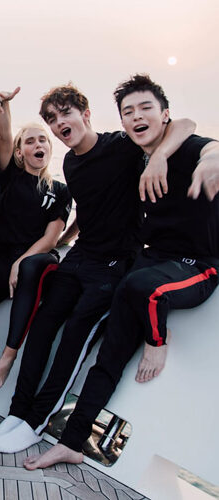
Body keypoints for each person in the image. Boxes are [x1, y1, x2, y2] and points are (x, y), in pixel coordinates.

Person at [0, 82, 196, 454]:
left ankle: (35, 424)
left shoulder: (121, 146)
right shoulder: (71, 163)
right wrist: (65, 240)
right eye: (52, 119)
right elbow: (87, 210)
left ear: (86, 114)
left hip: (115, 264)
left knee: (74, 338)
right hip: (81, 256)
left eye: (65, 113)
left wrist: (160, 156)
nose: (59, 123)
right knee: (42, 327)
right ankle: (17, 413)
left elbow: (184, 125)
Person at [22, 74, 219, 471]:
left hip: (198, 264)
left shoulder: (185, 147)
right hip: (153, 258)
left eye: (146, 108)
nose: (137, 116)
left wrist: (206, 162)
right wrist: (66, 239)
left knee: (141, 286)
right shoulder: (133, 154)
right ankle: (71, 443)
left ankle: (157, 340)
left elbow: (204, 140)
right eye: (128, 112)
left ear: (164, 114)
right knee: (109, 355)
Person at [0, 87, 71, 385]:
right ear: (20, 153)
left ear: (49, 148)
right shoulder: (9, 177)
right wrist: (4, 107)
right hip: (2, 259)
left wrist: (21, 262)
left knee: (30, 267)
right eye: (29, 141)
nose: (37, 144)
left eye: (42, 139)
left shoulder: (60, 191)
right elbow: (5, 138)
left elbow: (51, 238)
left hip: (36, 259)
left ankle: (7, 359)